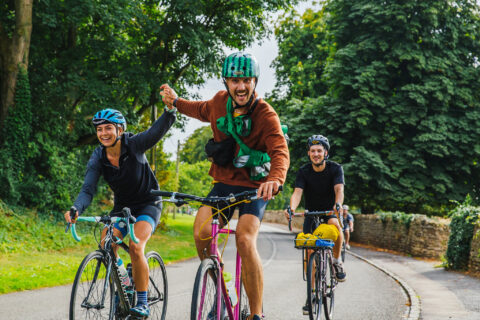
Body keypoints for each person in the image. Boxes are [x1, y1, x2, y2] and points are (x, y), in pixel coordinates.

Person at [160, 52, 289, 320]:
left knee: (244, 237)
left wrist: (275, 180)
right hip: (223, 184)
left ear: (254, 81)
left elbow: (280, 150)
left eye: (246, 80)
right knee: (201, 232)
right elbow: (198, 109)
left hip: (255, 187)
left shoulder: (266, 114)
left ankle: (255, 314)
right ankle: (219, 288)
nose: (240, 86)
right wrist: (176, 101)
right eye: (234, 80)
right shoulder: (219, 102)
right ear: (225, 82)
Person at [64, 107, 175, 318]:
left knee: (135, 246)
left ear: (120, 130)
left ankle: (142, 301)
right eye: (99, 129)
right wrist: (76, 208)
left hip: (148, 204)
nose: (103, 133)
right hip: (123, 208)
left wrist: (170, 110)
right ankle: (123, 287)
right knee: (107, 243)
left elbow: (155, 132)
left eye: (108, 128)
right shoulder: (98, 156)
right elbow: (88, 189)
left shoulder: (134, 145)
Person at [284, 134, 345, 315]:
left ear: (325, 152)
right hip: (311, 214)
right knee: (309, 251)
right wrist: (292, 208)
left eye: (319, 151)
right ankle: (311, 294)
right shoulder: (304, 171)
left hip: (329, 212)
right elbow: (297, 192)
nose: (316, 154)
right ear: (309, 153)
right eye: (312, 151)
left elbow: (339, 189)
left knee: (334, 223)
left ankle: (336, 261)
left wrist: (337, 205)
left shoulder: (335, 169)